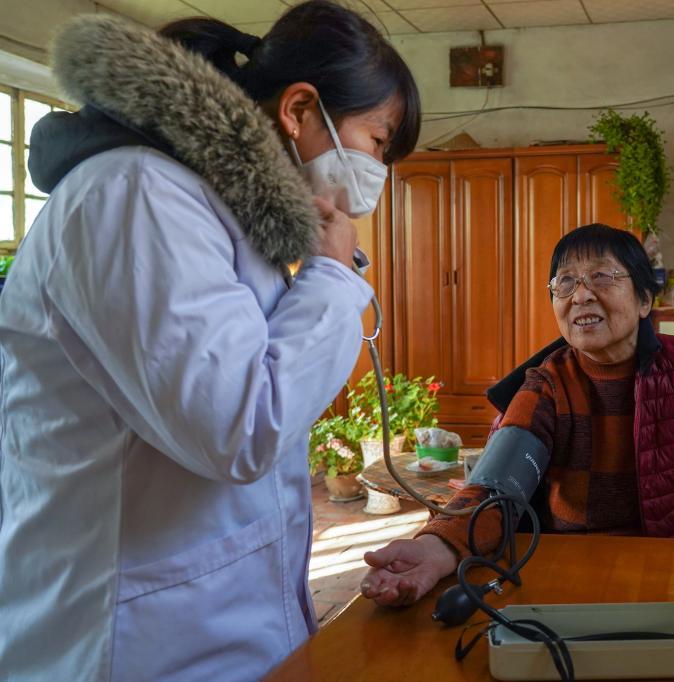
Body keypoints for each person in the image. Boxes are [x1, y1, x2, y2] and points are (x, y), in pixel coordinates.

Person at [0, 3, 419, 679]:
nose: (379, 168)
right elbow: (241, 426)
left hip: (203, 621)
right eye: (378, 140)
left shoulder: (210, 209)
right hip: (131, 638)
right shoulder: (134, 195)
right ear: (299, 110)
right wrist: (334, 278)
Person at [361, 224, 674, 608]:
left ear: (645, 300)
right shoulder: (546, 385)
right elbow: (495, 488)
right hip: (570, 578)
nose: (581, 295)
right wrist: (437, 547)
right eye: (565, 282)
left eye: (602, 277)